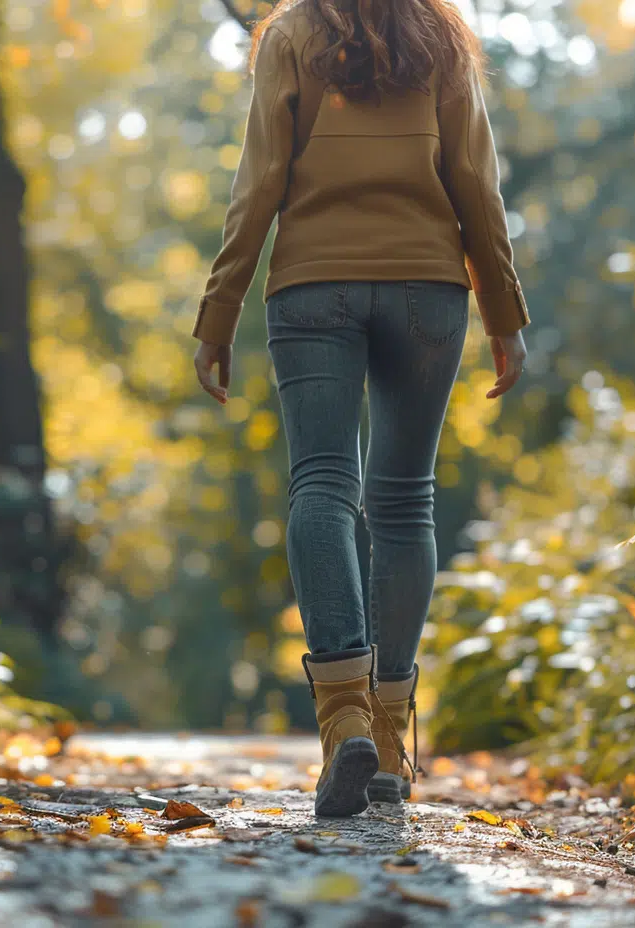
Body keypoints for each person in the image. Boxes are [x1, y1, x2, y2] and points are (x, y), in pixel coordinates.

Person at [191, 0, 529, 816]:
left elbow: (261, 181)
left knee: (321, 486)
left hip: (314, 284)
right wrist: (505, 315)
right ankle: (386, 739)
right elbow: (475, 183)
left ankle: (341, 715)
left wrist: (219, 311)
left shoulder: (293, 34)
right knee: (404, 502)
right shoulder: (442, 36)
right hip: (428, 289)